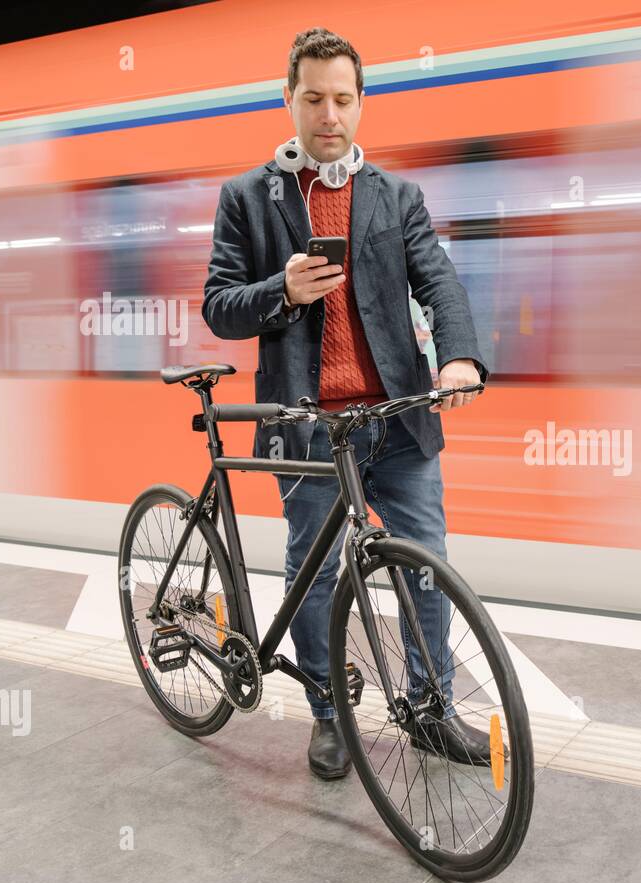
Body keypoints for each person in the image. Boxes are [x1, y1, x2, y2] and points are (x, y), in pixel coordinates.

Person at [201, 27, 492, 779]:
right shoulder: (248, 197)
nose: (329, 115)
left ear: (361, 104)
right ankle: (328, 713)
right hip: (307, 426)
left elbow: (439, 281)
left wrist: (458, 355)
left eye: (343, 99)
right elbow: (219, 306)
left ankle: (431, 709)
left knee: (424, 563)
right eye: (313, 99)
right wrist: (281, 290)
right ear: (289, 101)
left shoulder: (398, 196)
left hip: (395, 422)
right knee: (318, 570)